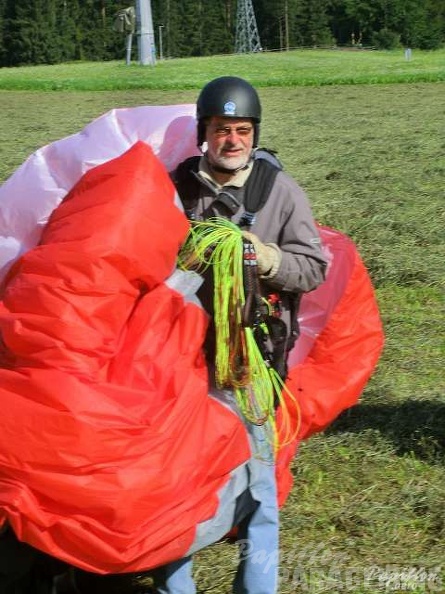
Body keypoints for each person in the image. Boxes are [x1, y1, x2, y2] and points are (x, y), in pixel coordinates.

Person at [151, 76, 327, 594]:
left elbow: (314, 267)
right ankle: (175, 586)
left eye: (242, 130)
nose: (233, 140)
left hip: (251, 362)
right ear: (203, 132)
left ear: (255, 134)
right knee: (176, 484)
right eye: (222, 129)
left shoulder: (278, 191)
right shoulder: (172, 189)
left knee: (258, 488)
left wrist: (264, 257)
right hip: (178, 364)